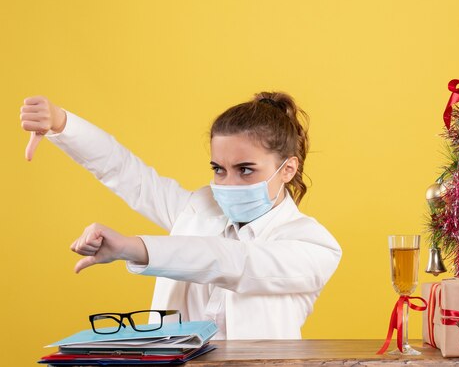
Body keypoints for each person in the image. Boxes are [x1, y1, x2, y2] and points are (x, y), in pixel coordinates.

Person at [20, 93, 342, 340]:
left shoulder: (315, 246)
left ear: (287, 169)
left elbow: (234, 262)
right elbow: (128, 175)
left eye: (245, 170)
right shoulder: (198, 209)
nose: (227, 184)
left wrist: (135, 248)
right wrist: (61, 123)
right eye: (219, 170)